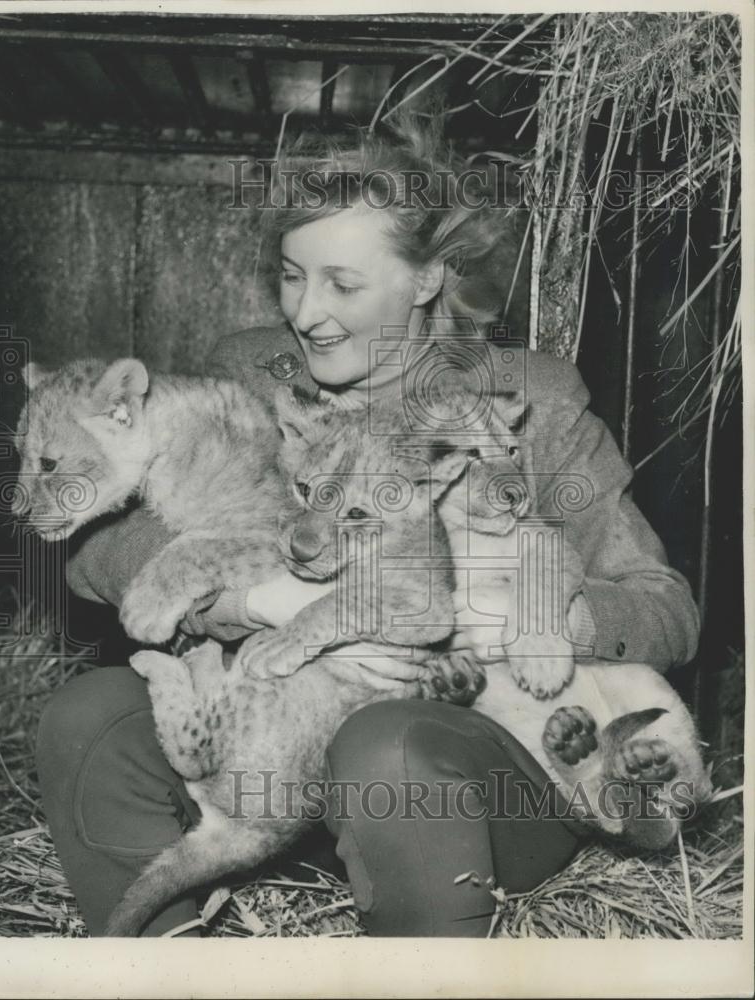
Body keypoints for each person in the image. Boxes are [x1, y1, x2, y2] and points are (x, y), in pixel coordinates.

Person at [35, 113, 701, 938]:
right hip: (279, 753)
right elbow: (101, 540)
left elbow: (665, 607)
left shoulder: (529, 398)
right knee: (86, 722)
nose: (306, 313)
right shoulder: (255, 368)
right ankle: (165, 954)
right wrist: (249, 605)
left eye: (342, 285)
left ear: (425, 281)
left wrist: (540, 618)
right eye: (289, 277)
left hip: (461, 773)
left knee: (386, 746)